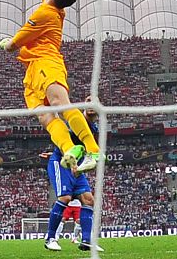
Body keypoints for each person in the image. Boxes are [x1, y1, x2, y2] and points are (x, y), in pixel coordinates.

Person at [0, 0, 100, 173]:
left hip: (47, 62)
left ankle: (93, 150)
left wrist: (4, 44)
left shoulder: (44, 15)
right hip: (33, 71)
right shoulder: (52, 2)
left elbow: (13, 46)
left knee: (60, 104)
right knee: (46, 117)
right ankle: (70, 149)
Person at [43, 97, 103, 252]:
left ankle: (87, 240)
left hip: (76, 167)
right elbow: (64, 140)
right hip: (62, 163)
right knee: (65, 198)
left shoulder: (93, 129)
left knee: (88, 200)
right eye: (88, 101)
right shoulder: (76, 120)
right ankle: (50, 238)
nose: (91, 105)